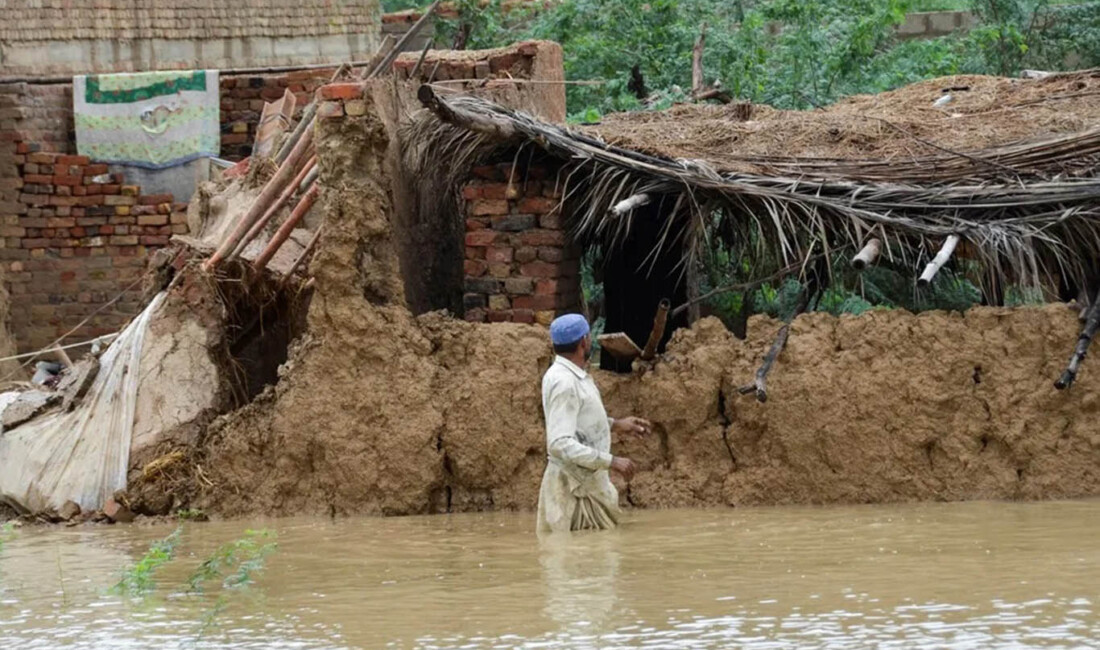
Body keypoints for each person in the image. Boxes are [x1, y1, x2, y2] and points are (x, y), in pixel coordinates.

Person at [536, 313, 652, 534]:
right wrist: (612, 461)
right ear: (584, 342)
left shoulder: (569, 375)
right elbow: (560, 443)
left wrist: (616, 424)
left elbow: (578, 421)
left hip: (587, 486)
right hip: (574, 491)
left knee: (594, 558)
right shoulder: (565, 382)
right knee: (585, 558)